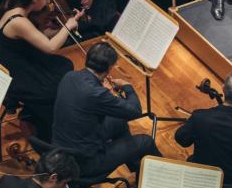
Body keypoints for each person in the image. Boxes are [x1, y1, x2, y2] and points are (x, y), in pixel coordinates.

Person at [51, 42, 161, 177]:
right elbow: (135, 111)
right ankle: (163, 179)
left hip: (63, 148)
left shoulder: (69, 76)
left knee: (119, 121)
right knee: (146, 142)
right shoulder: (97, 93)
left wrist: (103, 90)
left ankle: (137, 169)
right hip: (82, 163)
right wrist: (127, 86)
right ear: (109, 67)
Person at [0, 0, 79, 139]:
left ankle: (40, 114)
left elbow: (38, 37)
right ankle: (50, 130)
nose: (49, 3)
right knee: (53, 86)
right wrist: (68, 26)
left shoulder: (15, 9)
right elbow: (50, 48)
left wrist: (61, 29)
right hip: (15, 74)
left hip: (21, 61)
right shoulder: (18, 21)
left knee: (64, 65)